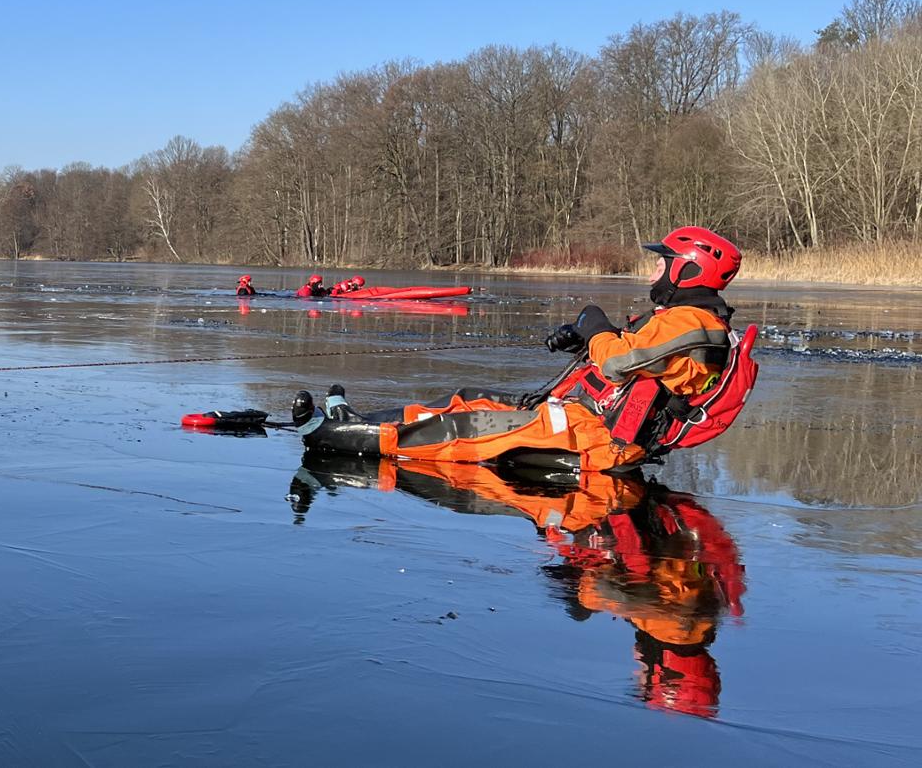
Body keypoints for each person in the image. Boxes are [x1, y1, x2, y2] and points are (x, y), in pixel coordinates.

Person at [289, 453, 741, 718]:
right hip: (591, 500)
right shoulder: (663, 612)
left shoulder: (704, 606)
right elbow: (592, 588)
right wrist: (580, 597)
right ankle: (379, 447)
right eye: (642, 678)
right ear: (663, 673)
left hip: (620, 502)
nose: (635, 668)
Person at [292, 226, 745, 471]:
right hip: (579, 417)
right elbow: (632, 352)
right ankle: (355, 421)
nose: (654, 276)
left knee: (467, 428)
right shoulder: (685, 320)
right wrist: (583, 334)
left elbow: (619, 360)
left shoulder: (693, 323)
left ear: (687, 272)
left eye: (662, 265)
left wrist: (595, 328)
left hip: (597, 438)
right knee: (468, 398)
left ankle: (331, 436)